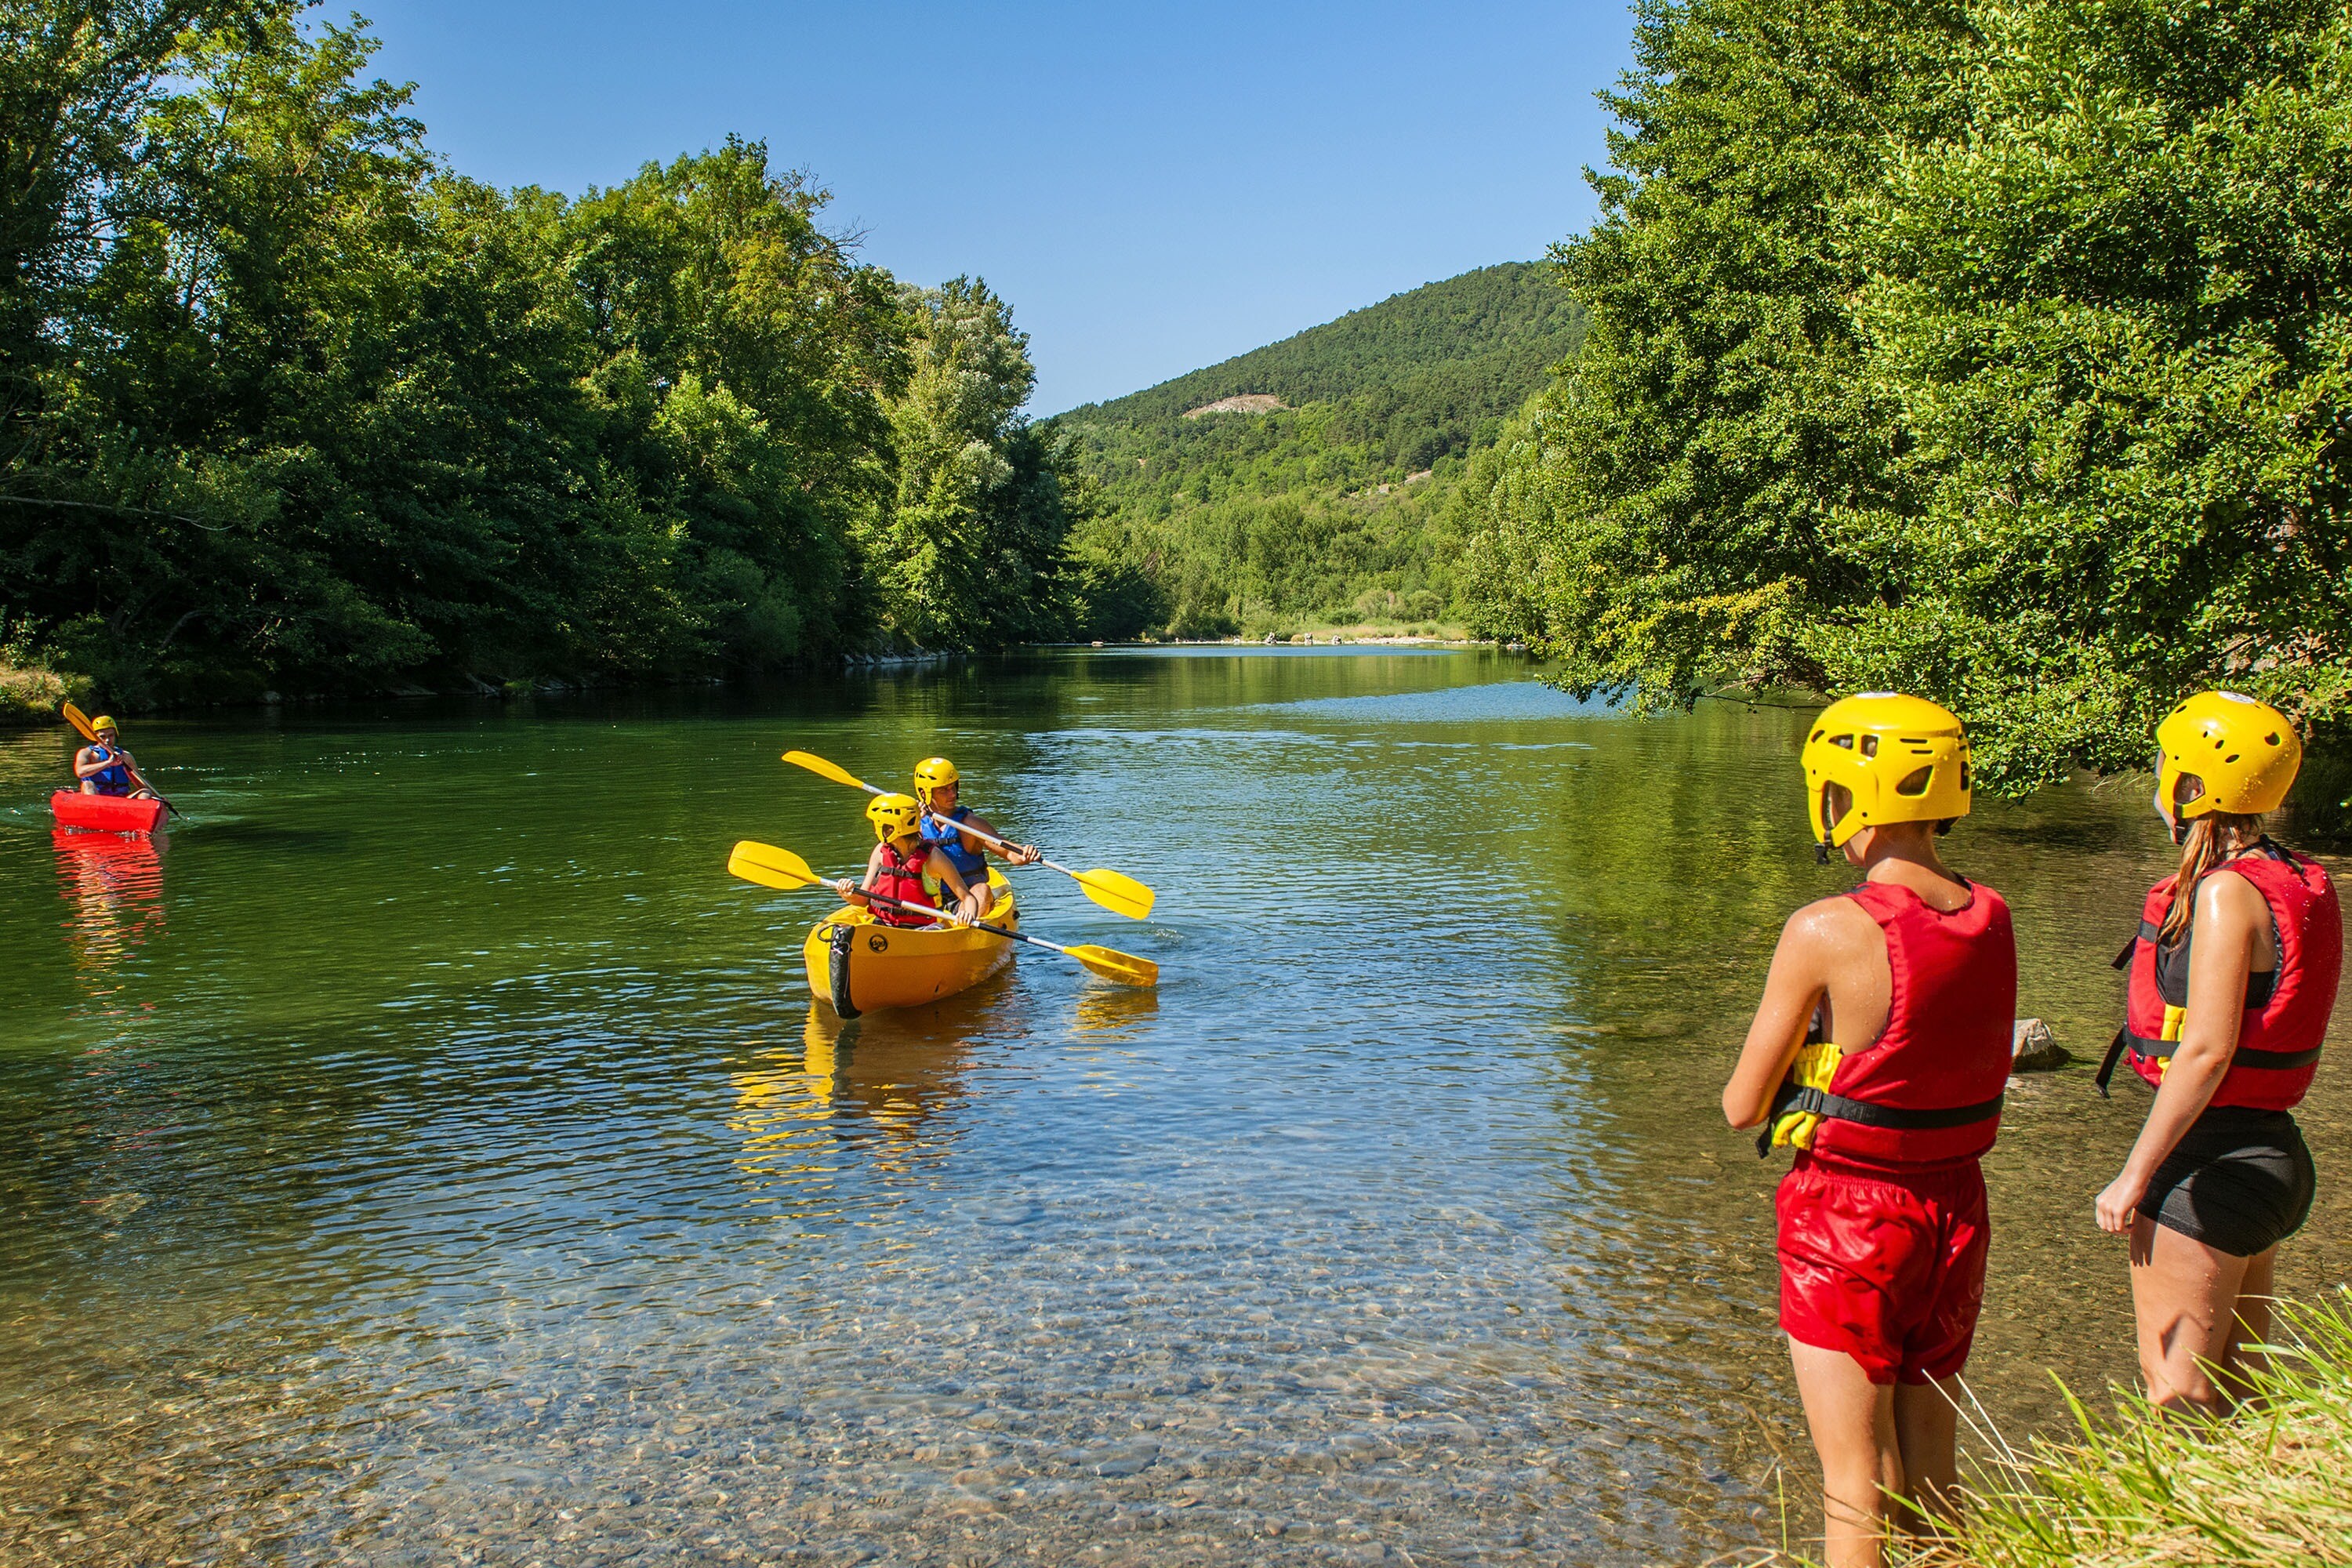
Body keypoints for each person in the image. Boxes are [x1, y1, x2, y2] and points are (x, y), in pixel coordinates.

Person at [1722, 693, 2016, 1568]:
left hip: (1847, 1218)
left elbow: (1743, 1104)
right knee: (1932, 1470)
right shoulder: (1990, 913)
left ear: (1843, 793)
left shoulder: (1824, 927)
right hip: (1956, 1206)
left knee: (1854, 1482)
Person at [2092, 691, 2337, 1413]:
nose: (2159, 781)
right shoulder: (2285, 876)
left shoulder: (2226, 895)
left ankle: (2185, 1528)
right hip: (2266, 1156)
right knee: (2240, 1388)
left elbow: (2204, 1050)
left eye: (2168, 766)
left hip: (2212, 1166)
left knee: (2176, 1391)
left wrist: (2133, 1177)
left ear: (2194, 786)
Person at [911, 757, 1039, 917]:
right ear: (924, 793)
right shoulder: (915, 824)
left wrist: (1025, 854)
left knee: (982, 889)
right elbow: (895, 856)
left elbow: (1009, 853)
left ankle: (965, 930)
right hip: (927, 898)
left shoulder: (970, 824)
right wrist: (914, 823)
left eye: (953, 787)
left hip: (966, 898)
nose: (952, 794)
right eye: (943, 789)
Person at [831, 793, 981, 928]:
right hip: (883, 925)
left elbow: (968, 898)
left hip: (922, 929)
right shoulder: (880, 851)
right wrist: (847, 894)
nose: (875, 829)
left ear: (892, 828)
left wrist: (968, 915)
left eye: (878, 824)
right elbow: (863, 900)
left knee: (936, 929)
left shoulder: (933, 857)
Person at [74, 716, 158, 798]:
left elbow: (140, 781)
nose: (107, 740)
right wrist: (108, 763)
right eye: (103, 737)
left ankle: (141, 810)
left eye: (111, 736)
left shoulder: (125, 756)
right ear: (96, 737)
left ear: (115, 735)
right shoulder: (87, 753)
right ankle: (96, 810)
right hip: (97, 798)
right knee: (88, 784)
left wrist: (159, 798)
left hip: (121, 799)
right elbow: (80, 772)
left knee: (146, 792)